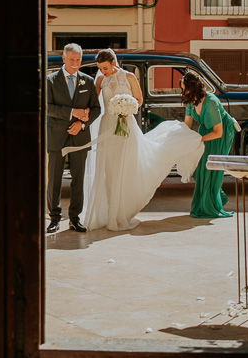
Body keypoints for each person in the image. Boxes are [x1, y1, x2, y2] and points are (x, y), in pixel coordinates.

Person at [69, 49, 204, 232]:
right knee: (109, 168)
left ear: (114, 63)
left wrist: (127, 107)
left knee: (125, 166)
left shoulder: (129, 77)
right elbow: (93, 101)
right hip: (108, 123)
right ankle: (109, 212)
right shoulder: (101, 80)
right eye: (101, 68)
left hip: (126, 125)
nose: (104, 72)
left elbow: (139, 100)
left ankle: (121, 211)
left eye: (106, 68)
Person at [45, 43, 102, 233]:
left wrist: (82, 124)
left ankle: (75, 218)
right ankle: (54, 218)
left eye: (78, 60)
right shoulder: (50, 80)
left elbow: (96, 108)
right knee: (54, 179)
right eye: (72, 60)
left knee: (78, 178)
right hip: (56, 137)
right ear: (63, 58)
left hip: (80, 137)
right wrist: (72, 113)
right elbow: (47, 107)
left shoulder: (87, 80)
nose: (76, 64)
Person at [182, 70, 236, 219]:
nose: (183, 91)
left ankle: (210, 204)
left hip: (221, 133)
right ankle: (218, 196)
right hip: (205, 132)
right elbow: (187, 124)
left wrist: (197, 140)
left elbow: (218, 132)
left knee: (209, 167)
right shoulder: (191, 101)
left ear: (193, 88)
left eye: (185, 88)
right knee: (197, 168)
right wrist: (180, 139)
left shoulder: (210, 102)